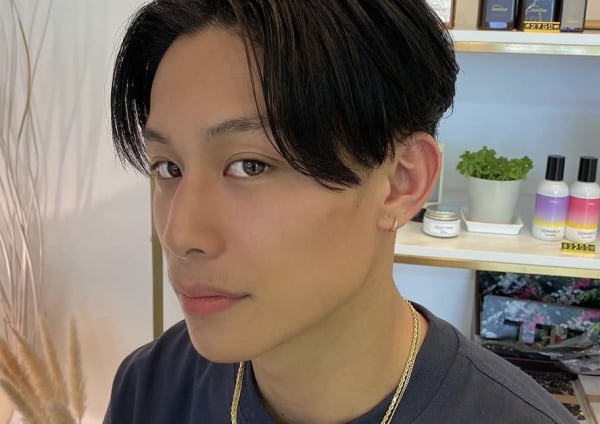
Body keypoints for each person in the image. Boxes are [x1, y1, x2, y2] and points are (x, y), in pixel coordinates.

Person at [104, 1, 577, 423]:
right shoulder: (151, 389)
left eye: (249, 166)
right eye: (168, 167)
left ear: (400, 183)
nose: (179, 233)